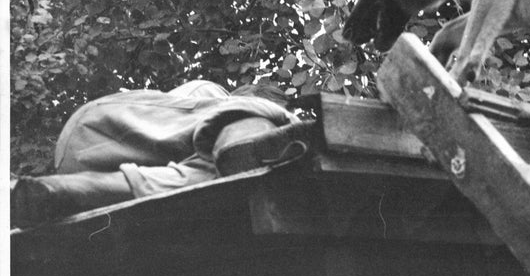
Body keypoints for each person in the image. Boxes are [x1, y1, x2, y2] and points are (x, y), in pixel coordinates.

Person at [10, 80, 311, 227]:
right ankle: (263, 125)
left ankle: (50, 191)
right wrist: (282, 122)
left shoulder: (193, 108)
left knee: (207, 172)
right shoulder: (211, 94)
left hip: (84, 153)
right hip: (103, 128)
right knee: (221, 168)